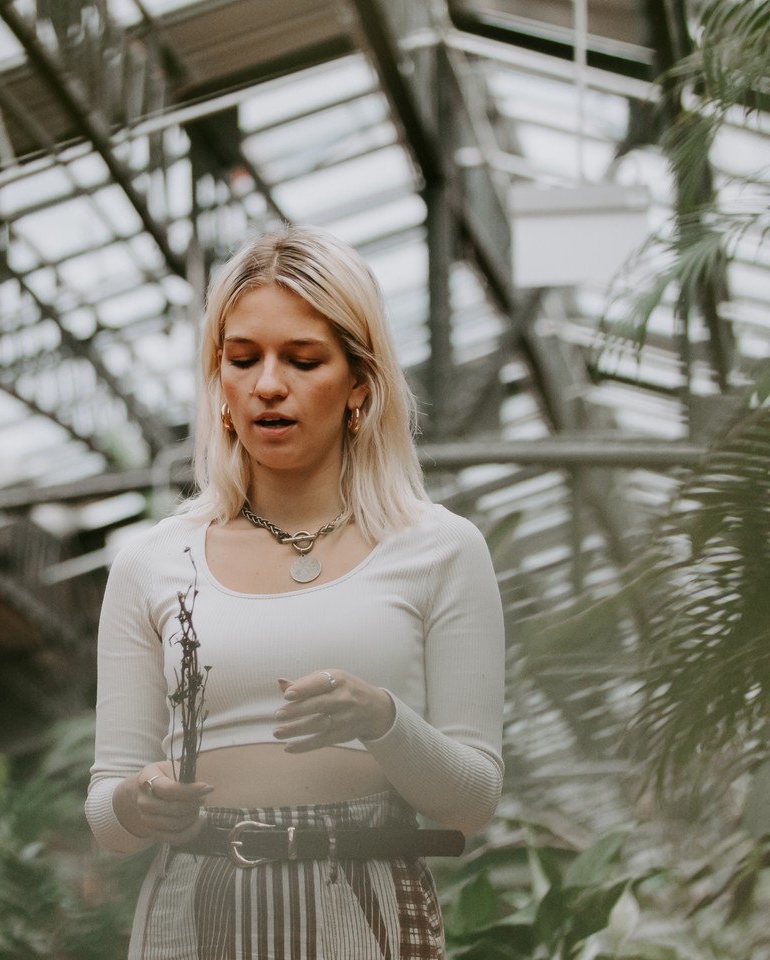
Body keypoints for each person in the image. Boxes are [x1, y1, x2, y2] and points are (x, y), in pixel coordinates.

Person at [86, 227, 505, 960]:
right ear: (219, 380)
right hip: (196, 907)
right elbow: (106, 816)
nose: (268, 385)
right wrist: (140, 801)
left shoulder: (441, 548)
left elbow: (472, 801)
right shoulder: (153, 562)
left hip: (368, 902)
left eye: (303, 360)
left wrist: (382, 719)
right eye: (242, 359)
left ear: (360, 383)